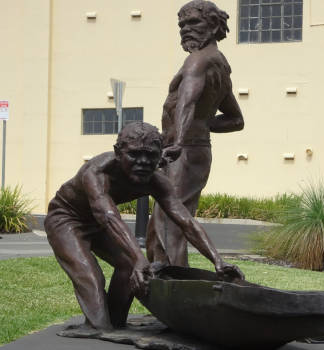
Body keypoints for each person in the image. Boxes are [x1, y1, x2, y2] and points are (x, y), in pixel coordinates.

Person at [44, 122, 243, 332]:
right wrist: (139, 258)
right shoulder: (96, 173)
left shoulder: (156, 180)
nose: (143, 162)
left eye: (150, 155)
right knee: (91, 276)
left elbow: (186, 222)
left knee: (130, 267)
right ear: (118, 153)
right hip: (67, 218)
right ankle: (98, 327)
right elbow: (109, 217)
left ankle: (116, 323)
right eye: (134, 155)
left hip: (99, 222)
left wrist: (217, 260)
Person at [146, 0, 244, 266]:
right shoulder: (218, 64)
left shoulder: (197, 62)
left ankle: (175, 280)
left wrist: (179, 140)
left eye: (193, 23)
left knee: (172, 218)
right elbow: (235, 120)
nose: (185, 29)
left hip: (183, 152)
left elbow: (186, 103)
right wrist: (201, 124)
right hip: (190, 148)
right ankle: (158, 275)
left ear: (213, 26)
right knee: (163, 218)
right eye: (182, 25)